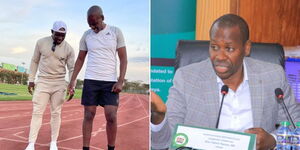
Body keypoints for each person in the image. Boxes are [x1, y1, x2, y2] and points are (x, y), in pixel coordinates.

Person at [151, 14, 300, 150]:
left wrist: (273, 140)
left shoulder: (272, 76)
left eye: (229, 49)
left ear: (246, 48)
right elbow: (164, 142)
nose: (220, 56)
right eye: (214, 47)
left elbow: (296, 130)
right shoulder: (187, 78)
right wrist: (158, 118)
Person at [68, 5, 127, 150]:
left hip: (110, 82)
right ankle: (85, 148)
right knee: (88, 115)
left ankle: (111, 148)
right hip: (91, 80)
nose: (93, 27)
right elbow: (80, 59)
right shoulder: (86, 35)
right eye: (90, 25)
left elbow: (123, 58)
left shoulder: (115, 32)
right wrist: (73, 79)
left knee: (111, 116)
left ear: (102, 18)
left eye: (95, 24)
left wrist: (120, 81)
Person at [25, 21, 75, 150]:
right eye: (57, 34)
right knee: (37, 112)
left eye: (63, 35)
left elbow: (72, 68)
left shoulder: (69, 49)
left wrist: (72, 85)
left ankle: (53, 143)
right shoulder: (41, 42)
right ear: (52, 32)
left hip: (59, 83)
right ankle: (31, 144)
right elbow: (35, 60)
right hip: (43, 81)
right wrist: (31, 79)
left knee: (56, 113)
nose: (60, 38)